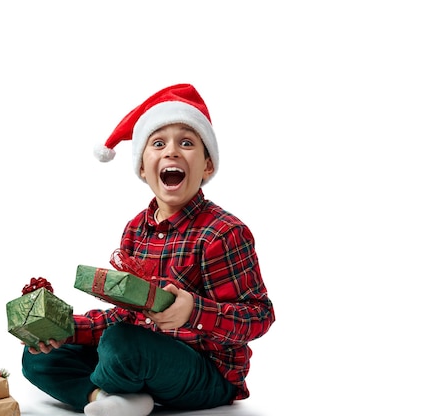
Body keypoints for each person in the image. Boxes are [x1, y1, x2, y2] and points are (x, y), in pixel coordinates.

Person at [21, 83, 276, 416]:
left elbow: (259, 316)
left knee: (121, 344)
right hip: (140, 354)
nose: (171, 152)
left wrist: (193, 312)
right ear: (143, 168)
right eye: (158, 143)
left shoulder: (223, 233)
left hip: (207, 373)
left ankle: (106, 387)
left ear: (207, 166)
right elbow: (124, 316)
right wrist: (67, 329)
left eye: (186, 142)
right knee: (39, 355)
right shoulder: (135, 230)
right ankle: (109, 399)